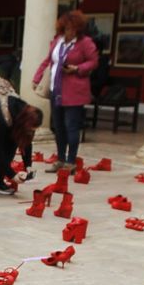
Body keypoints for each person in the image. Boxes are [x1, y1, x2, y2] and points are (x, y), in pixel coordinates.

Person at [32, 9, 98, 172]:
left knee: (71, 126)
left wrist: (77, 68)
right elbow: (48, 60)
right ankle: (60, 159)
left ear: (78, 29)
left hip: (74, 91)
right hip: (57, 89)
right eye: (67, 28)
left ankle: (71, 161)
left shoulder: (85, 43)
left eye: (73, 28)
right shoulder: (57, 41)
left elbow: (93, 61)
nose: (70, 31)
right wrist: (37, 77)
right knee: (59, 127)